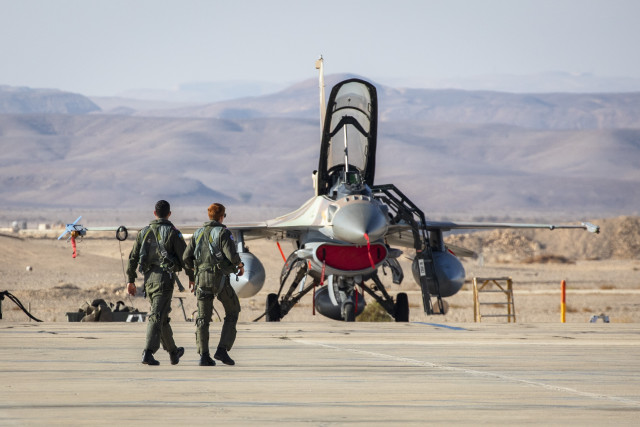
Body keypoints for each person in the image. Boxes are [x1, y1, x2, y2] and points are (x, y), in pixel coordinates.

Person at [126, 200, 194, 366]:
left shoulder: (144, 232)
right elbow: (185, 257)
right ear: (169, 214)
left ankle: (173, 352)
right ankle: (148, 352)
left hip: (149, 281)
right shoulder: (173, 233)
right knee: (157, 316)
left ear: (154, 213)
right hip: (164, 280)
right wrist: (191, 276)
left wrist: (131, 280)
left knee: (161, 317)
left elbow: (133, 257)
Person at [183, 203, 244, 366]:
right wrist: (239, 265)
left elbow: (186, 258)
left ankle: (204, 356)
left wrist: (194, 274)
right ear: (222, 216)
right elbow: (231, 255)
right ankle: (222, 350)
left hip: (201, 280)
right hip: (219, 280)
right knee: (233, 311)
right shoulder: (223, 232)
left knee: (203, 318)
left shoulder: (197, 233)